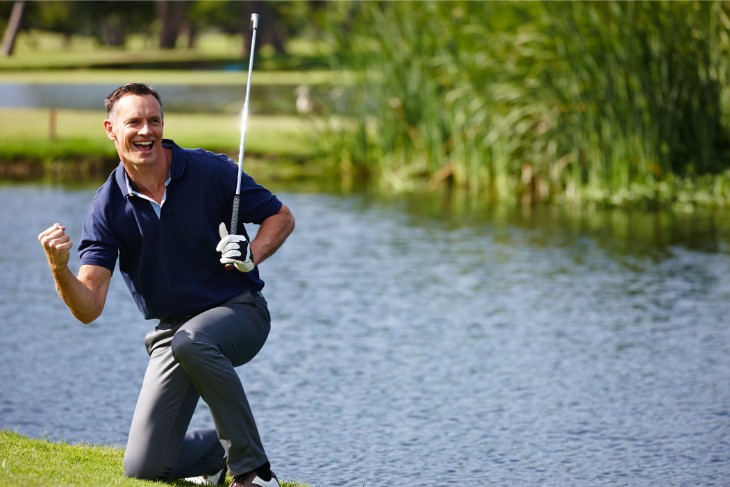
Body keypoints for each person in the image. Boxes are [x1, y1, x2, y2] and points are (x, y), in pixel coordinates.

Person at [37, 82, 295, 487]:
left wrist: (250, 256)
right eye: (134, 122)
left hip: (239, 310)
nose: (146, 131)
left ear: (163, 123)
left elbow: (281, 217)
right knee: (143, 467)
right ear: (110, 129)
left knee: (194, 341)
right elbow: (88, 306)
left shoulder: (210, 170)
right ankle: (216, 455)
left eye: (153, 120)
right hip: (173, 333)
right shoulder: (107, 207)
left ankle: (252, 471)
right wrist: (59, 267)